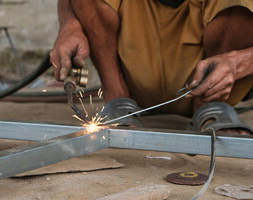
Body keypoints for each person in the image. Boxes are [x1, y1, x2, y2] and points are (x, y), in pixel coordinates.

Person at [49, 0, 253, 134]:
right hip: (128, 76)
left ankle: (210, 109)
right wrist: (69, 26)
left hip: (212, 82)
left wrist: (238, 62)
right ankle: (117, 99)